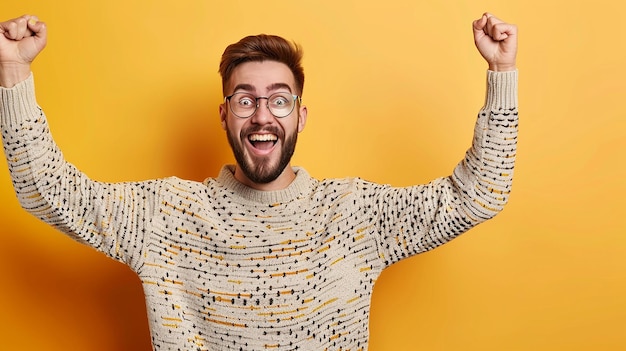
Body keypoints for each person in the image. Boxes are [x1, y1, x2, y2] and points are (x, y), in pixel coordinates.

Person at [0, 12, 518, 351]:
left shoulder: (354, 213)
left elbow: (477, 195)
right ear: (225, 115)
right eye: (245, 99)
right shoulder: (167, 215)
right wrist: (13, 72)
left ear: (300, 116)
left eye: (279, 99)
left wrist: (502, 73)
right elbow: (48, 190)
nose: (262, 115)